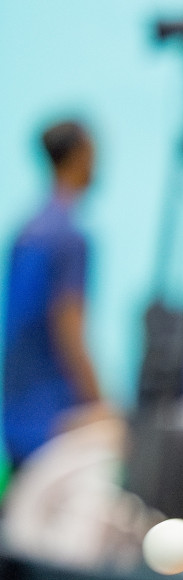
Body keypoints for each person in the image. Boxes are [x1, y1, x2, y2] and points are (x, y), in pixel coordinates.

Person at [3, 120, 104, 468]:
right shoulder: (70, 239)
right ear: (77, 157)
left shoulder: (25, 233)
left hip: (16, 416)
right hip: (55, 420)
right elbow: (70, 333)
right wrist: (100, 403)